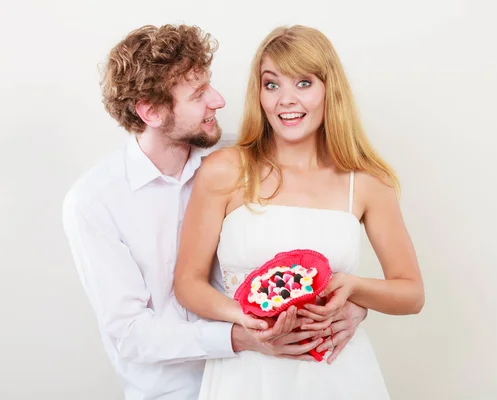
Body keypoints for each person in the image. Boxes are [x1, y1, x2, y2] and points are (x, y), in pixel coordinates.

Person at [62, 24, 368, 400]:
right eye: (198, 94)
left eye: (210, 85)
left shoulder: (241, 161)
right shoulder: (94, 203)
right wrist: (242, 339)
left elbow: (305, 249)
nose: (219, 100)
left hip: (265, 381)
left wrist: (353, 308)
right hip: (173, 392)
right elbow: (130, 334)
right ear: (151, 112)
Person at [173, 25, 425, 399]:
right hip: (248, 376)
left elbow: (411, 293)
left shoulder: (367, 182)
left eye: (303, 83)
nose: (285, 100)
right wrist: (245, 320)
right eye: (272, 84)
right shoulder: (225, 170)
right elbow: (187, 282)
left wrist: (354, 290)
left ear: (329, 90)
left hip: (338, 374)